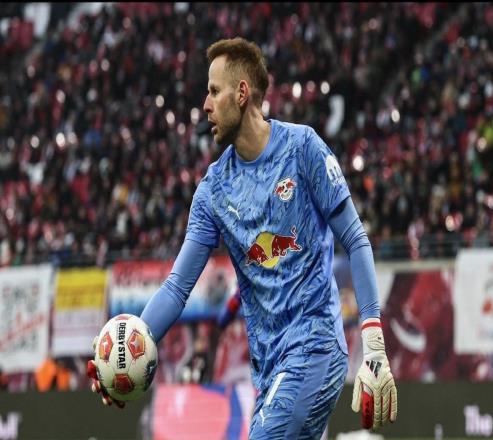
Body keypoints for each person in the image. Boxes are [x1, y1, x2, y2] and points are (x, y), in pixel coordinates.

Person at [88, 37, 397, 438]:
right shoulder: (213, 191)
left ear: (242, 93)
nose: (205, 105)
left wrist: (374, 343)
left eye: (214, 91)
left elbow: (355, 239)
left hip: (315, 347)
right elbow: (177, 287)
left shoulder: (302, 148)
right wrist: (130, 348)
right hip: (268, 372)